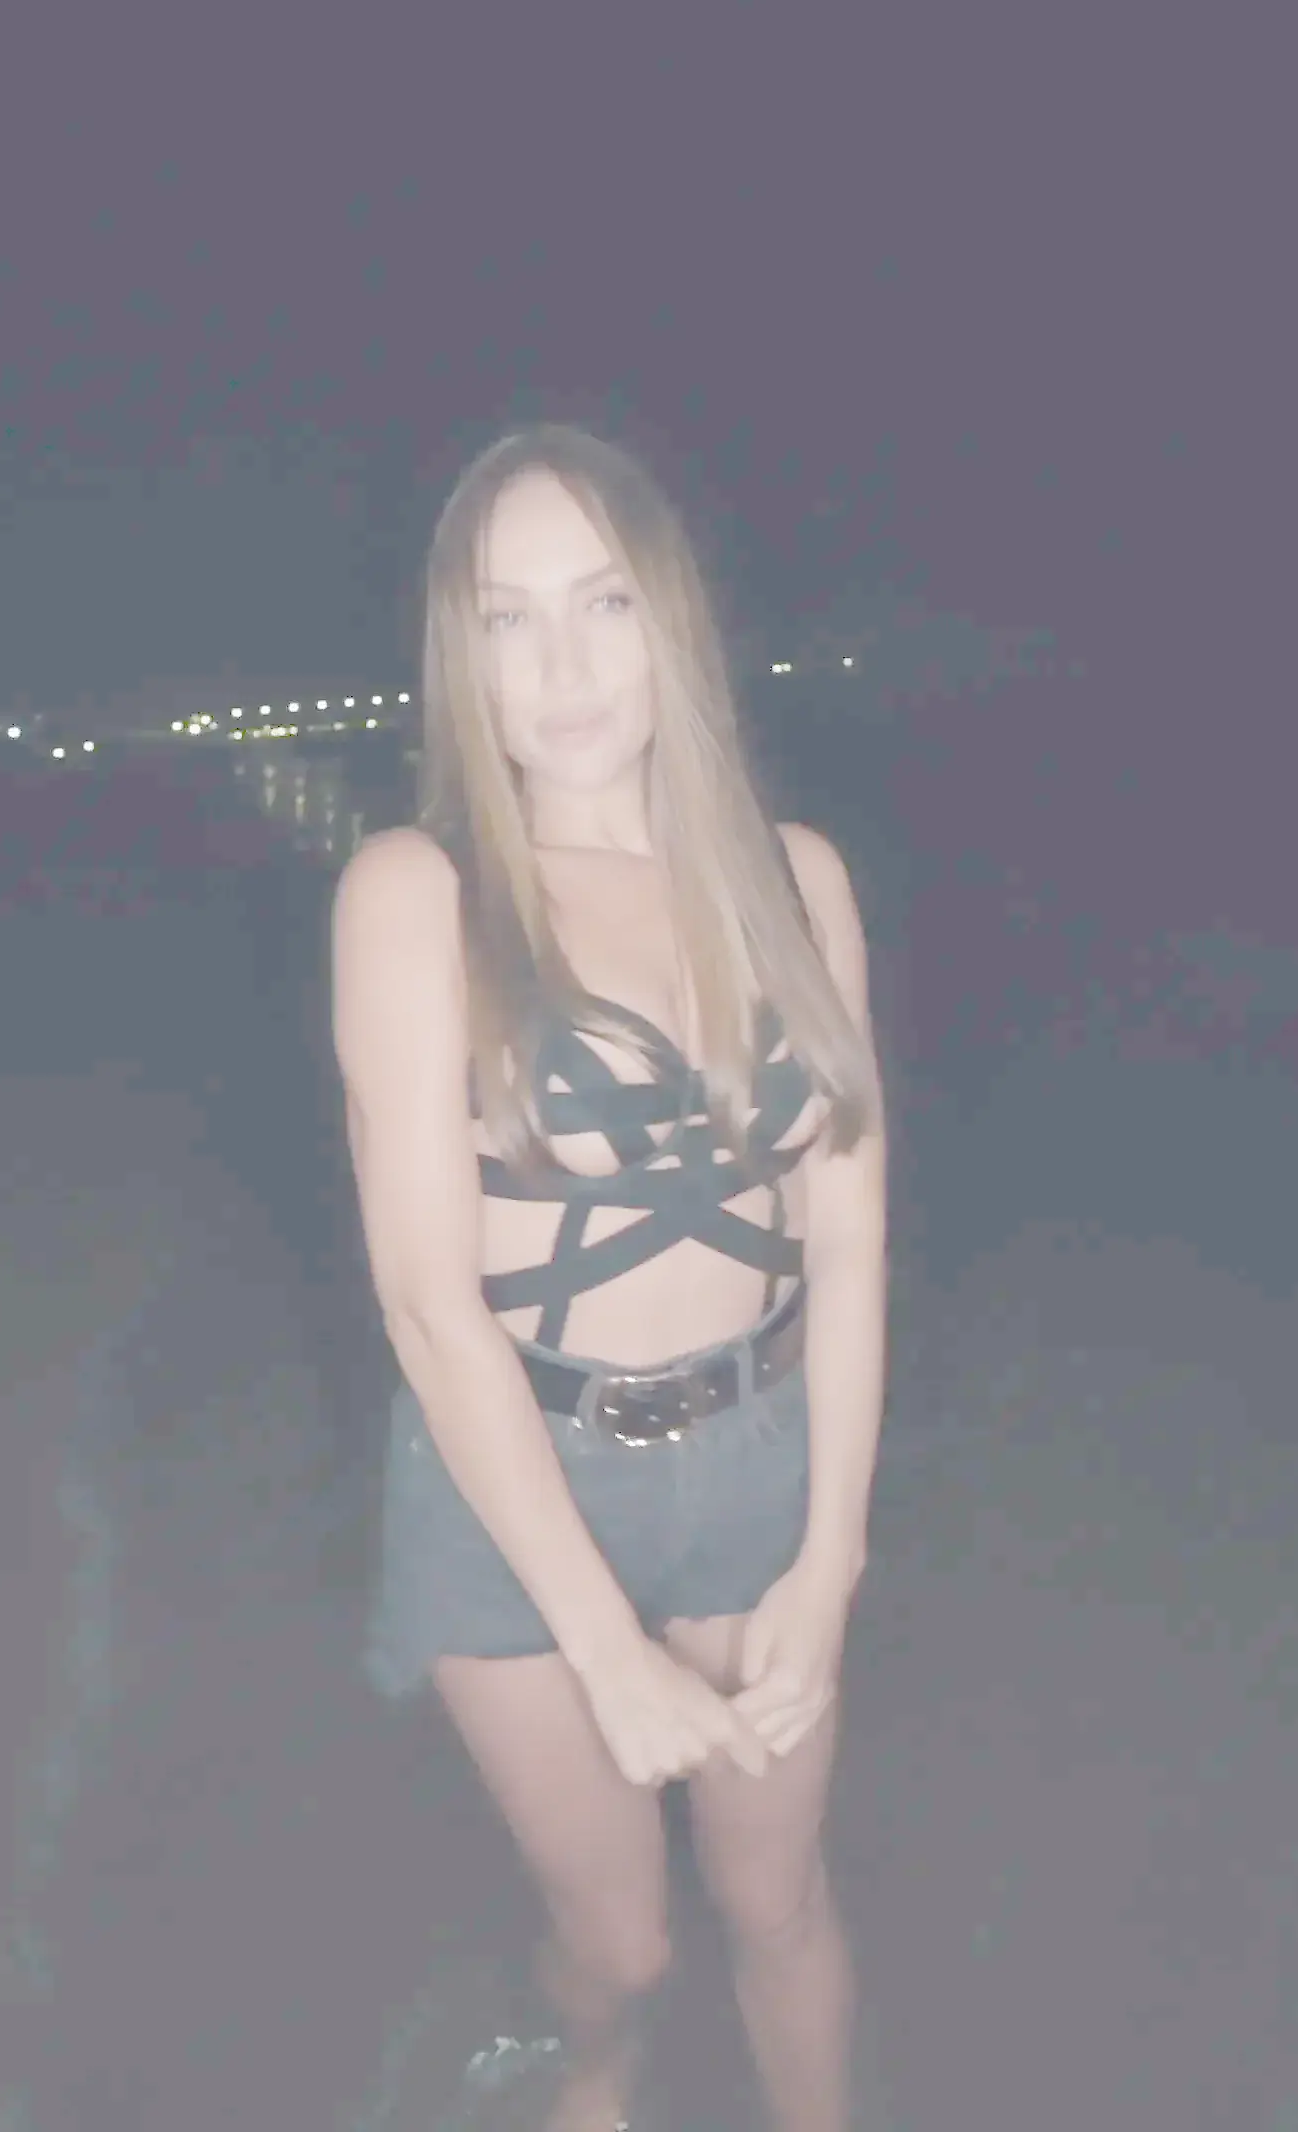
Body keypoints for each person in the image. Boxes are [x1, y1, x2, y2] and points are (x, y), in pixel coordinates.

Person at [338, 423, 889, 2132]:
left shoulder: (797, 878)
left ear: (673, 618)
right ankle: (585, 2070)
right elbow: (430, 1305)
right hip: (520, 1485)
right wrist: (604, 1644)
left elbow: (849, 1234)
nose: (562, 667)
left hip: (760, 1458)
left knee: (777, 1900)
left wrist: (832, 1557)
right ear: (462, 657)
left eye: (601, 603)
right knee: (627, 1944)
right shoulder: (416, 894)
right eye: (507, 620)